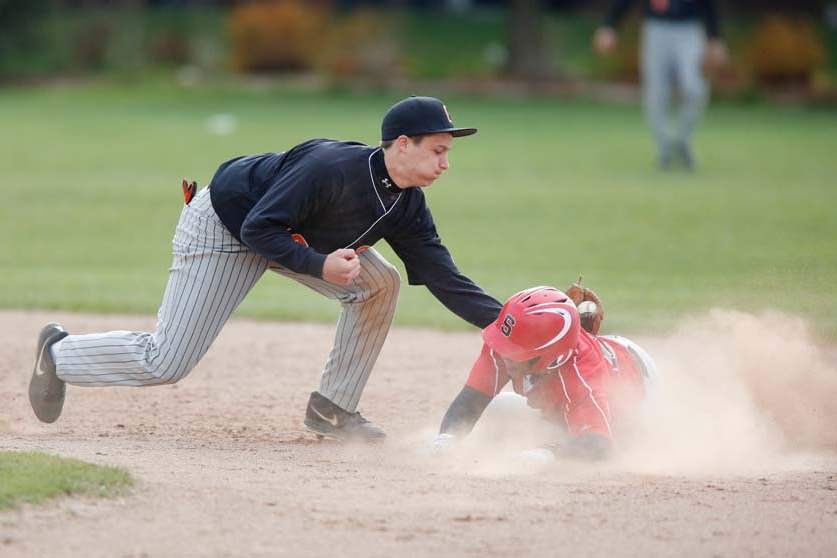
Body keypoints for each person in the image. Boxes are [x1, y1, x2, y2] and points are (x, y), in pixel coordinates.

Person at [29, 96, 503, 442]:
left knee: (380, 285)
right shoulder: (330, 168)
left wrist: (513, 324)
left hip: (288, 237)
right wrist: (318, 264)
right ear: (403, 144)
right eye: (438, 150)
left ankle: (333, 409)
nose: (445, 162)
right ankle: (59, 355)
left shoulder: (407, 205)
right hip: (226, 225)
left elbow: (444, 278)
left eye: (448, 152)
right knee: (166, 361)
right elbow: (260, 228)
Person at [433, 285, 657, 460]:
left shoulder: (583, 374)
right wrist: (447, 439)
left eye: (515, 352)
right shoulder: (504, 342)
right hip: (571, 387)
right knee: (500, 411)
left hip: (642, 388)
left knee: (625, 445)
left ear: (549, 358)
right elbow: (473, 398)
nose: (503, 354)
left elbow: (599, 445)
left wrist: (548, 455)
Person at [593, 0, 727, 170]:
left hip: (689, 29)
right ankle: (664, 148)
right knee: (656, 92)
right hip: (656, 28)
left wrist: (715, 37)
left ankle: (681, 140)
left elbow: (708, 4)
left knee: (694, 88)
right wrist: (609, 26)